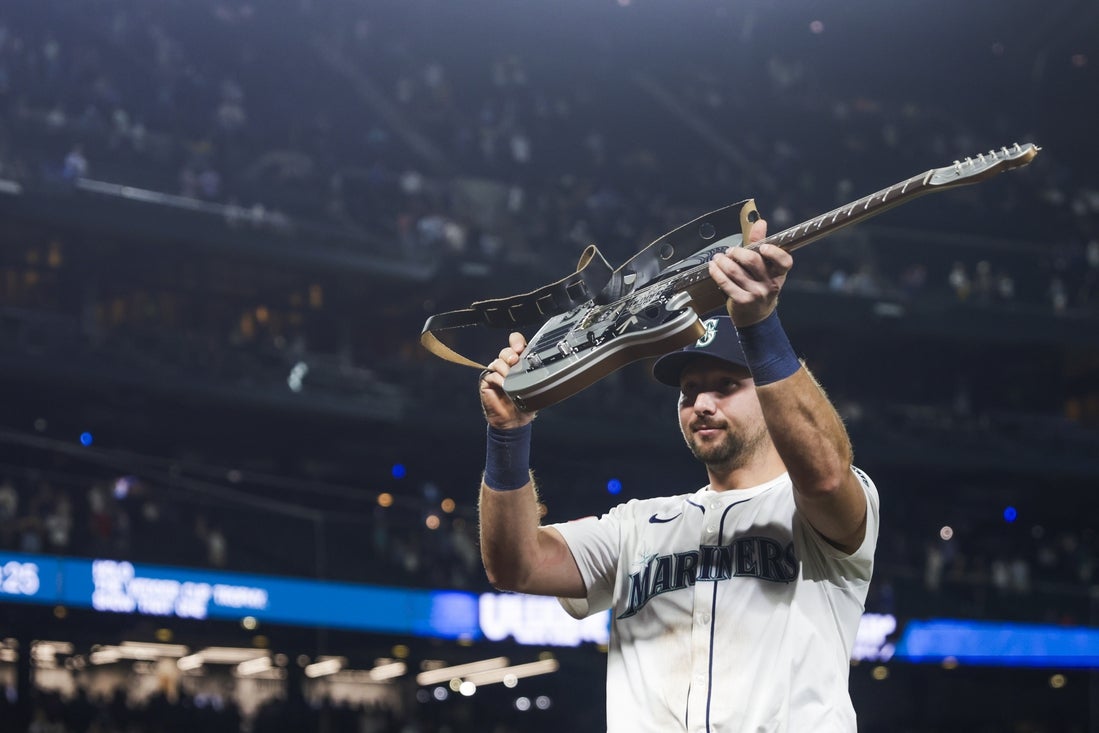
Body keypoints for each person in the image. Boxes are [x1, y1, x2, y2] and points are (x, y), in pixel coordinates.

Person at [477, 218, 879, 732]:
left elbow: (825, 478)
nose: (702, 404)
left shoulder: (816, 511)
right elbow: (516, 566)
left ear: (769, 394)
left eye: (725, 385)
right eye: (689, 391)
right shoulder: (636, 527)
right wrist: (507, 436)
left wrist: (760, 326)